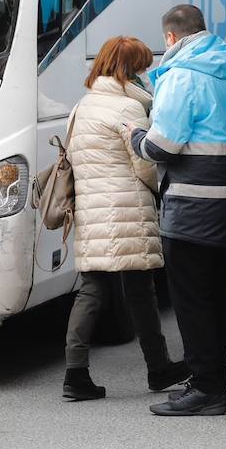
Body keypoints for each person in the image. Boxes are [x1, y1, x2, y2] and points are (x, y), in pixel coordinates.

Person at [129, 4, 226, 417]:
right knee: (219, 297)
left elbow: (161, 147)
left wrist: (135, 135)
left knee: (192, 302)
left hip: (192, 207)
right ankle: (216, 381)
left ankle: (206, 389)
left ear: (170, 38)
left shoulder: (181, 77)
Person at [62, 36, 188, 402]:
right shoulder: (128, 109)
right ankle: (158, 367)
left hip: (92, 209)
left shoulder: (81, 107)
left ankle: (75, 373)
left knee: (92, 290)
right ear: (129, 70)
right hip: (127, 207)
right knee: (141, 293)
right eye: (142, 67)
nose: (145, 74)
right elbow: (144, 165)